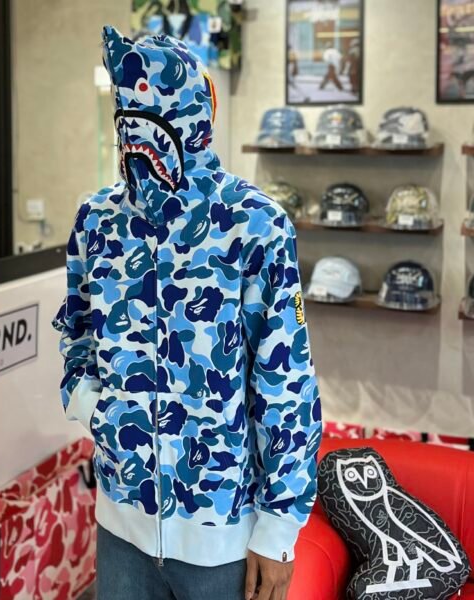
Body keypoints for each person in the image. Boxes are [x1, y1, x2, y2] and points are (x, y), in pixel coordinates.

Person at [53, 26, 321, 600]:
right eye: (126, 113)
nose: (136, 136)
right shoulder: (96, 221)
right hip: (121, 522)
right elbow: (76, 332)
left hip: (223, 535)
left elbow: (285, 379)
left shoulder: (254, 224)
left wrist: (279, 529)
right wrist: (95, 408)